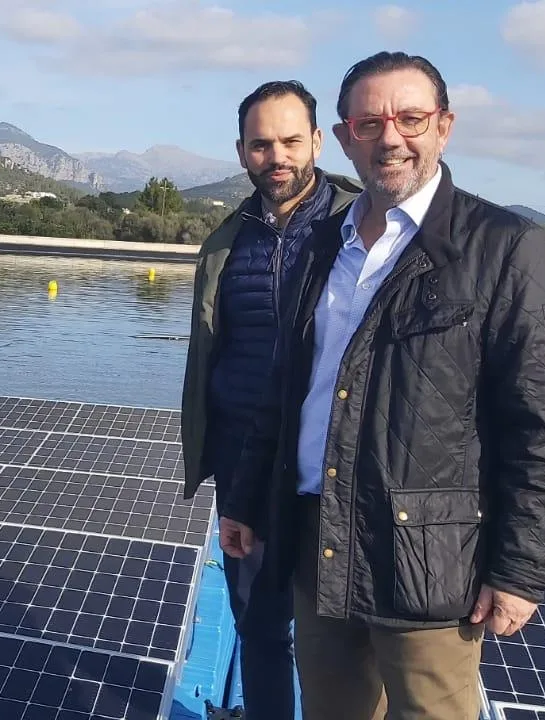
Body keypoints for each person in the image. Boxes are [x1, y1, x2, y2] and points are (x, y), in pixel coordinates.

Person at [217, 51, 545, 720]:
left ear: (444, 125)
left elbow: (543, 425)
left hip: (427, 565)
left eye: (410, 118)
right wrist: (243, 499)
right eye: (370, 122)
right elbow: (286, 393)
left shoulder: (503, 248)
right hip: (318, 544)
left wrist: (523, 568)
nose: (391, 138)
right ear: (345, 136)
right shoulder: (324, 245)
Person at [179, 79, 362, 719]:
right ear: (241, 152)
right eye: (261, 145)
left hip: (333, 471)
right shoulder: (227, 241)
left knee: (340, 636)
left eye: (290, 141)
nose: (276, 157)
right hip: (243, 465)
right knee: (258, 624)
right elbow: (215, 350)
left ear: (317, 141)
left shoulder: (361, 230)